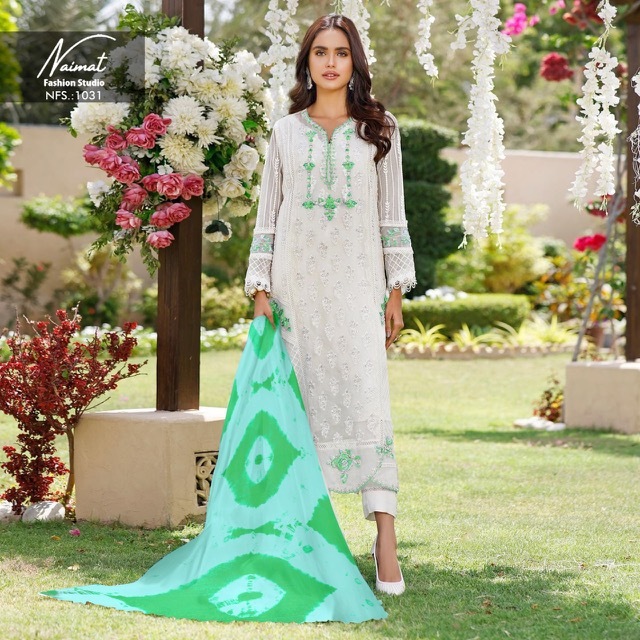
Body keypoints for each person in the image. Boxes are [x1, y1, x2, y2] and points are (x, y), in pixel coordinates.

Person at [245, 13, 416, 595]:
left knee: (369, 402)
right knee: (297, 409)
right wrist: (261, 290)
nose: (331, 62)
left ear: (355, 62)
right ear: (307, 62)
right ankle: (297, 539)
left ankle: (385, 539)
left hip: (357, 288)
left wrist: (395, 290)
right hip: (296, 291)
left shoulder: (380, 130)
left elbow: (392, 215)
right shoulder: (285, 132)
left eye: (341, 52)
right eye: (321, 52)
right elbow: (268, 216)